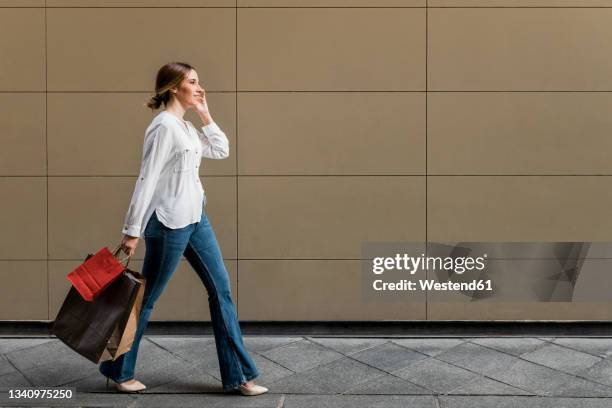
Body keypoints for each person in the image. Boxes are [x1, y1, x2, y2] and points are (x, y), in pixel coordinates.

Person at [99, 62, 267, 396]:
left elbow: (220, 150)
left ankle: (239, 376)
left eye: (199, 81)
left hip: (195, 220)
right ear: (174, 87)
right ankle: (120, 369)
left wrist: (205, 114)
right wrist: (133, 229)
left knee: (222, 292)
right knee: (144, 301)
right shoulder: (163, 127)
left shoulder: (186, 128)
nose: (200, 86)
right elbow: (146, 179)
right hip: (167, 223)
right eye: (193, 82)